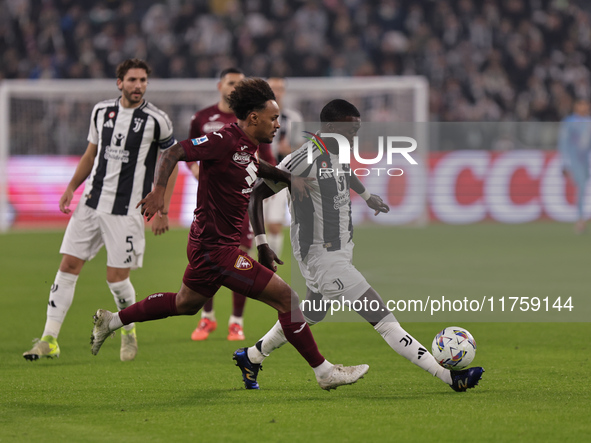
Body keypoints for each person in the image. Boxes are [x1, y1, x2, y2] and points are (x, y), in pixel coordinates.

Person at [90, 78, 369, 391]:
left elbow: (254, 165)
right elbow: (172, 153)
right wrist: (158, 192)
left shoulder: (245, 144)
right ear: (253, 118)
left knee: (186, 303)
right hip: (216, 249)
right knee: (288, 300)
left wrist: (289, 179)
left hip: (209, 245)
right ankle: (324, 372)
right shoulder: (222, 139)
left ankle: (111, 321)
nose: (278, 124)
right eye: (273, 118)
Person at [233, 99, 485, 392]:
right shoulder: (301, 159)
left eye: (356, 130)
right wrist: (262, 243)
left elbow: (343, 174)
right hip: (323, 257)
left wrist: (367, 196)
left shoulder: (337, 151)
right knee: (385, 321)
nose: (354, 136)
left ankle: (251, 356)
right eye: (349, 130)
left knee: (312, 313)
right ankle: (449, 377)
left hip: (336, 251)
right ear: (329, 127)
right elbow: (255, 195)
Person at [23, 58, 178, 362]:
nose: (138, 86)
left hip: (126, 210)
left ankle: (128, 332)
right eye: (132, 80)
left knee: (117, 279)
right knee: (67, 267)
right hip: (91, 204)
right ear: (120, 83)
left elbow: (170, 163)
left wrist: (163, 208)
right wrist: (71, 187)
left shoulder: (157, 120)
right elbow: (91, 153)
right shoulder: (101, 111)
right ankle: (49, 339)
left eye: (143, 80)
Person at [188, 68, 276, 342]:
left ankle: (236, 322)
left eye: (240, 83)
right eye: (231, 82)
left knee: (241, 255)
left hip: (240, 201)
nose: (234, 87)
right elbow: (188, 152)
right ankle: (207, 318)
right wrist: (195, 170)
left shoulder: (253, 120)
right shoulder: (203, 118)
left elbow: (265, 159)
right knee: (209, 258)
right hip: (212, 200)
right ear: (220, 85)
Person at [262, 77, 303, 259]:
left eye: (279, 88)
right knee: (252, 226)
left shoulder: (293, 118)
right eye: (273, 88)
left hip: (279, 176)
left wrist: (290, 149)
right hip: (256, 176)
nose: (276, 92)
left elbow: (301, 149)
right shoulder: (257, 116)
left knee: (274, 224)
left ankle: (271, 267)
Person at [558, 99, 591, 234]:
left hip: (587, 160)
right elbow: (563, 143)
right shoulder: (569, 122)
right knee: (581, 187)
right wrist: (565, 163)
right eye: (582, 105)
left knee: (583, 187)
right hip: (575, 160)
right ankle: (580, 219)